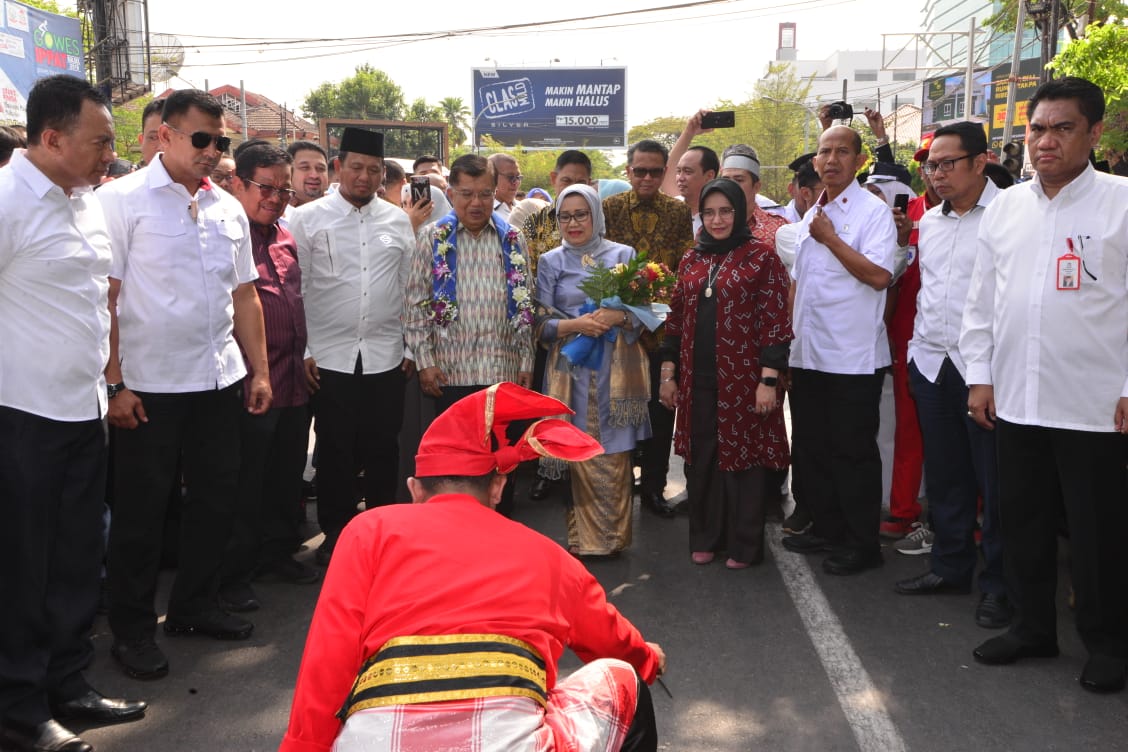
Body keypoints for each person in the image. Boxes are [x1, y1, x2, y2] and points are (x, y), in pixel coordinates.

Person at [280, 383, 664, 752]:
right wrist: (646, 660)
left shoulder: (369, 529)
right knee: (623, 679)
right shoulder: (550, 556)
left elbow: (328, 658)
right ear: (497, 488)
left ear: (414, 490)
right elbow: (610, 638)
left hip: (379, 739)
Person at [960, 77, 1128, 693]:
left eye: (1062, 128)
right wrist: (979, 377)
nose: (1046, 141)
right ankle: (1033, 628)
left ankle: (1108, 643)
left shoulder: (1121, 203)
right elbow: (982, 303)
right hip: (1017, 400)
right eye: (1037, 129)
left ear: (1094, 132)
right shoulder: (1005, 206)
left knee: (1097, 532)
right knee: (1021, 520)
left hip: (1094, 405)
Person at [99, 89, 271, 680]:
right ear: (164, 134)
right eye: (201, 139)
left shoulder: (226, 206)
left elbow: (245, 294)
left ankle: (196, 605)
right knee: (143, 514)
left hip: (218, 380)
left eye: (219, 142)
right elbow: (108, 300)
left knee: (215, 501)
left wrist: (260, 371)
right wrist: (115, 383)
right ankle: (131, 630)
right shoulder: (120, 201)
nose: (212, 151)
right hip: (148, 386)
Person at [0, 73, 147, 752]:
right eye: (99, 143)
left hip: (83, 411)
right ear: (52, 137)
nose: (109, 157)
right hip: (20, 416)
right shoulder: (6, 201)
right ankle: (22, 705)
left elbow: (99, 306)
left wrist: (110, 386)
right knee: (23, 568)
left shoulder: (85, 202)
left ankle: (69, 683)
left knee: (76, 561)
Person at [892, 121, 1011, 629]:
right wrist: (918, 354)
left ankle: (1001, 589)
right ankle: (950, 567)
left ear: (980, 161)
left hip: (985, 370)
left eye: (947, 164)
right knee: (946, 478)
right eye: (930, 165)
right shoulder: (930, 221)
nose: (936, 174)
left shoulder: (1011, 215)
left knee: (997, 485)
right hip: (932, 365)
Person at [290, 128, 416, 565]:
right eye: (356, 168)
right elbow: (297, 288)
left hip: (386, 355)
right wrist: (305, 347)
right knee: (336, 448)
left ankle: (381, 532)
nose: (364, 177)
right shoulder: (305, 220)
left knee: (384, 447)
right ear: (339, 167)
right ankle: (338, 533)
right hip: (329, 356)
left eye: (374, 170)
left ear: (382, 175)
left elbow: (409, 288)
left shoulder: (397, 220)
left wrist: (412, 349)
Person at [658, 179, 792, 568]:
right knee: (702, 459)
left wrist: (768, 381)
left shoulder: (760, 257)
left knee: (742, 462)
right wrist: (669, 375)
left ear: (739, 212)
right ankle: (705, 538)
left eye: (726, 211)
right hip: (697, 380)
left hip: (743, 380)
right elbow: (675, 320)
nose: (717, 220)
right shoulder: (692, 259)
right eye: (710, 212)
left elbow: (775, 324)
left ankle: (744, 546)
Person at [781, 125, 896, 576]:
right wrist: (787, 345)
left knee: (852, 453)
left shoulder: (872, 212)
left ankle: (861, 543)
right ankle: (827, 527)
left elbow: (879, 276)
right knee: (813, 447)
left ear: (859, 159)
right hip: (809, 352)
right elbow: (800, 281)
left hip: (851, 356)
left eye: (842, 151)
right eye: (824, 152)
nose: (831, 160)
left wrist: (832, 239)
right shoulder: (815, 212)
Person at [218, 143, 319, 614]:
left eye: (282, 189)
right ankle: (234, 575)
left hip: (292, 379)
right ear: (237, 182)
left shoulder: (284, 235)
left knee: (284, 477)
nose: (275, 198)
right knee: (243, 485)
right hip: (249, 383)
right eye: (265, 187)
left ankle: (278, 554)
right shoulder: (226, 233)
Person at [405, 154, 536, 517]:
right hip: (451, 374)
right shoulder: (433, 237)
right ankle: (458, 535)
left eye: (484, 194)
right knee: (456, 468)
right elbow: (415, 304)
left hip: (502, 374)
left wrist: (526, 361)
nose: (476, 203)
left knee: (501, 462)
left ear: (495, 192)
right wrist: (426, 362)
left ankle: (499, 532)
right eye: (466, 194)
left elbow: (526, 304)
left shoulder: (513, 239)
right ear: (450, 193)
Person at [536, 184, 651, 557]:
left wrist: (619, 314)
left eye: (580, 214)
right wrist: (578, 325)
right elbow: (539, 322)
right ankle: (582, 540)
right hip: (570, 370)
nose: (572, 223)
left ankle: (613, 539)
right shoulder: (551, 261)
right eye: (564, 216)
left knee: (614, 452)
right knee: (576, 450)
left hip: (615, 369)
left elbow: (644, 313)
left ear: (596, 216)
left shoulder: (622, 254)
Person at [603, 139, 694, 517]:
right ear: (628, 171)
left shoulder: (676, 212)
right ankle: (617, 488)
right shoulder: (608, 209)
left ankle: (654, 488)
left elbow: (685, 266)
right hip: (618, 333)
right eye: (639, 170)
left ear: (665, 173)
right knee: (618, 413)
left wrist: (657, 303)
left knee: (659, 413)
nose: (646, 177)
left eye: (655, 171)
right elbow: (598, 264)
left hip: (660, 330)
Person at [521, 149, 594, 502]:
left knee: (590, 410)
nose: (573, 187)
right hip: (550, 330)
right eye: (567, 181)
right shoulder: (535, 224)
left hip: (597, 337)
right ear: (554, 180)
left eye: (581, 182)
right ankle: (548, 470)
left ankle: (589, 470)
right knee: (549, 405)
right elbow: (527, 273)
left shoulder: (597, 221)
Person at [287, 140, 329, 208]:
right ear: (289, 172)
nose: (314, 175)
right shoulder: (276, 212)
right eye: (305, 167)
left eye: (320, 168)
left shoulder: (340, 210)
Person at [488, 152, 521, 219]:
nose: (516, 182)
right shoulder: (483, 213)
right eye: (510, 177)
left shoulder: (525, 208)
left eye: (518, 177)